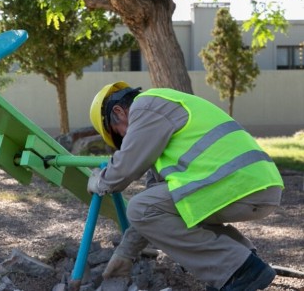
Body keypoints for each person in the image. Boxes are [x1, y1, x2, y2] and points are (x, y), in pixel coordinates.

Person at [88, 82, 284, 291]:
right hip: (251, 183)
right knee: (159, 207)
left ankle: (241, 269)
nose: (125, 139)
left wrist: (100, 181)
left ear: (118, 111)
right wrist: (125, 252)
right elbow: (154, 206)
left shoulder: (145, 107)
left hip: (237, 182)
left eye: (117, 133)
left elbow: (125, 168)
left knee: (139, 207)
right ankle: (239, 265)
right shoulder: (162, 114)